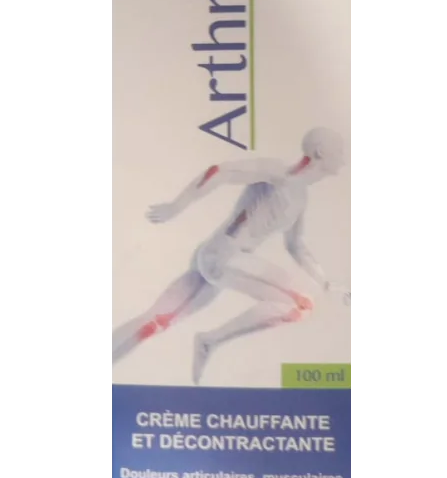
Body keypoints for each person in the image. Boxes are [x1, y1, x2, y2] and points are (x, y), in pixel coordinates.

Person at [109, 127, 353, 384]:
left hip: (226, 260)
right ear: (320, 152)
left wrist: (326, 282)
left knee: (159, 319)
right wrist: (175, 207)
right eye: (339, 152)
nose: (344, 160)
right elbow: (219, 172)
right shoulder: (278, 173)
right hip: (225, 256)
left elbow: (296, 246)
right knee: (301, 303)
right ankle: (210, 341)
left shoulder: (300, 198)